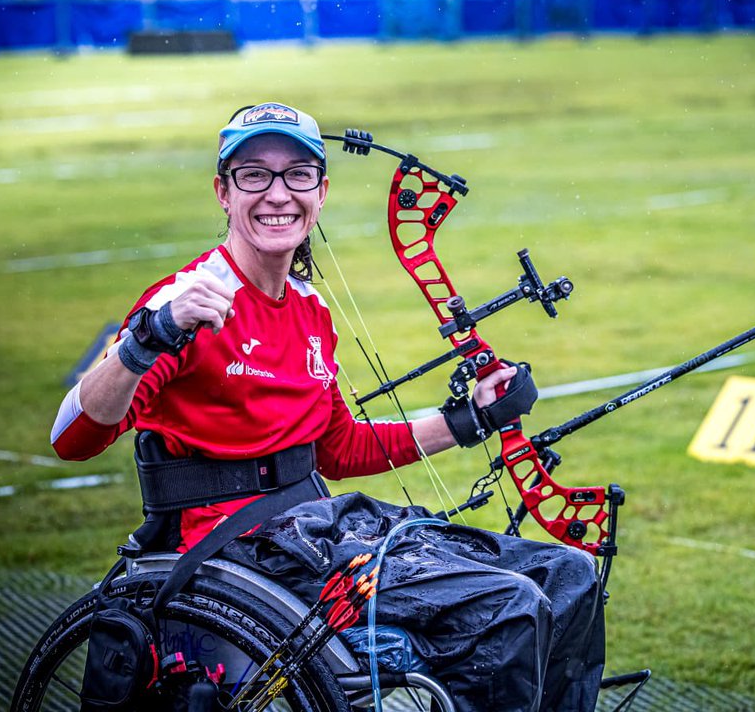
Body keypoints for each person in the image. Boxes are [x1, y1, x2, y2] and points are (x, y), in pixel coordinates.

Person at [50, 102, 605, 712]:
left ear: (321, 192)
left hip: (320, 532)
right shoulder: (186, 302)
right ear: (223, 192)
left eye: (297, 175)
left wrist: (469, 420)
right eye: (254, 174)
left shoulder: (309, 309)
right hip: (238, 552)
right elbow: (72, 437)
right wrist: (150, 335)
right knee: (507, 607)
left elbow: (338, 448)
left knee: (569, 576)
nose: (277, 194)